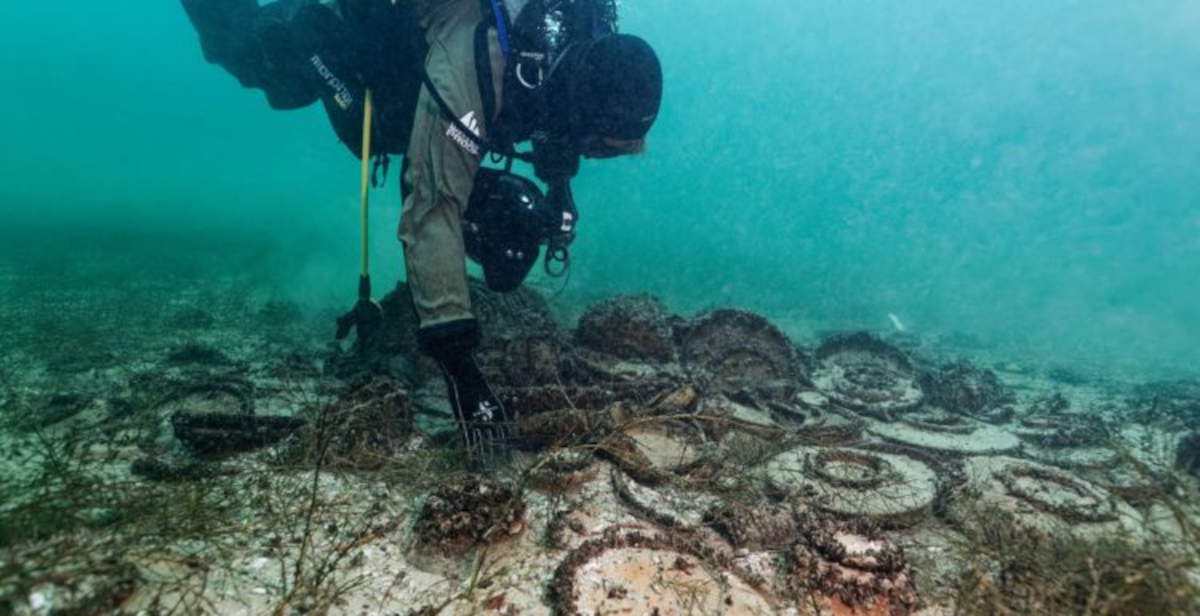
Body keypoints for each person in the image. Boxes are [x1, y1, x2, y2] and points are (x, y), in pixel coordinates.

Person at [180, 0, 664, 470]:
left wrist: (559, 188)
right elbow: (432, 208)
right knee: (255, 54)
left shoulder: (583, 33)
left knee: (508, 220)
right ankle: (272, 28)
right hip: (385, 50)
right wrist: (460, 370)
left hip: (448, 79)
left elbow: (562, 126)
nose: (598, 157)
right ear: (579, 106)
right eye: (600, 148)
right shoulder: (478, 58)